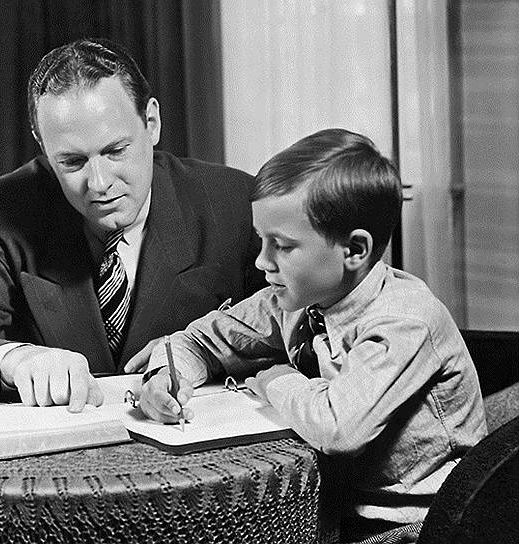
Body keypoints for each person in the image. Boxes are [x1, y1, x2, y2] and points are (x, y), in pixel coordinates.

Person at [138, 128, 487, 542]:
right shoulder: (296, 299)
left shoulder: (405, 320)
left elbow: (337, 427)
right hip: (333, 512)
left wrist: (277, 378)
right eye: (261, 241)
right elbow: (199, 340)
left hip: (420, 526)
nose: (262, 261)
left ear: (354, 251)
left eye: (283, 246)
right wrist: (167, 376)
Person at [0, 38, 263, 411]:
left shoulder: (235, 203)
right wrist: (19, 360)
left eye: (116, 151)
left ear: (151, 123)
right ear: (43, 146)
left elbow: (291, 327)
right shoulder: (1, 214)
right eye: (72, 162)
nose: (99, 183)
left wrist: (202, 351)